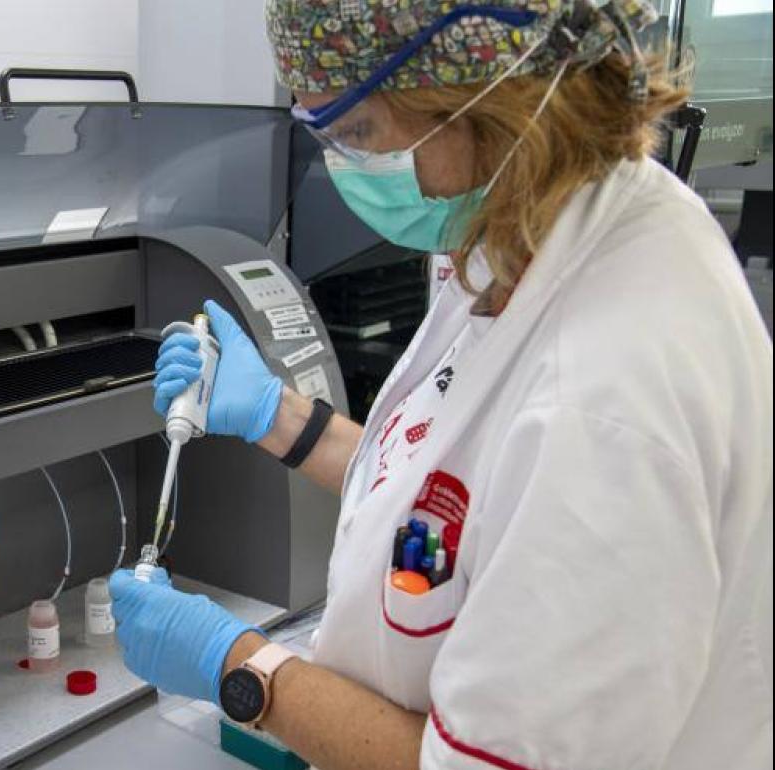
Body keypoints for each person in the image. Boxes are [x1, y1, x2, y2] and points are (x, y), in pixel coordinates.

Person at [108, 0, 774, 767]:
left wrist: (238, 666)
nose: (343, 166)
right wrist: (280, 418)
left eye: (357, 132)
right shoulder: (533, 225)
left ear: (483, 99)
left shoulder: (604, 400)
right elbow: (458, 497)